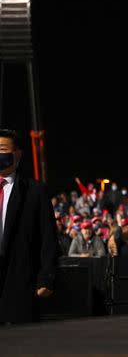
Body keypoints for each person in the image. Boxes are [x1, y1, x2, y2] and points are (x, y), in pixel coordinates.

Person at [0, 129, 59, 323]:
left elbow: (48, 238)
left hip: (19, 284)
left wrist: (46, 277)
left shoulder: (35, 192)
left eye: (2, 149)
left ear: (17, 153)